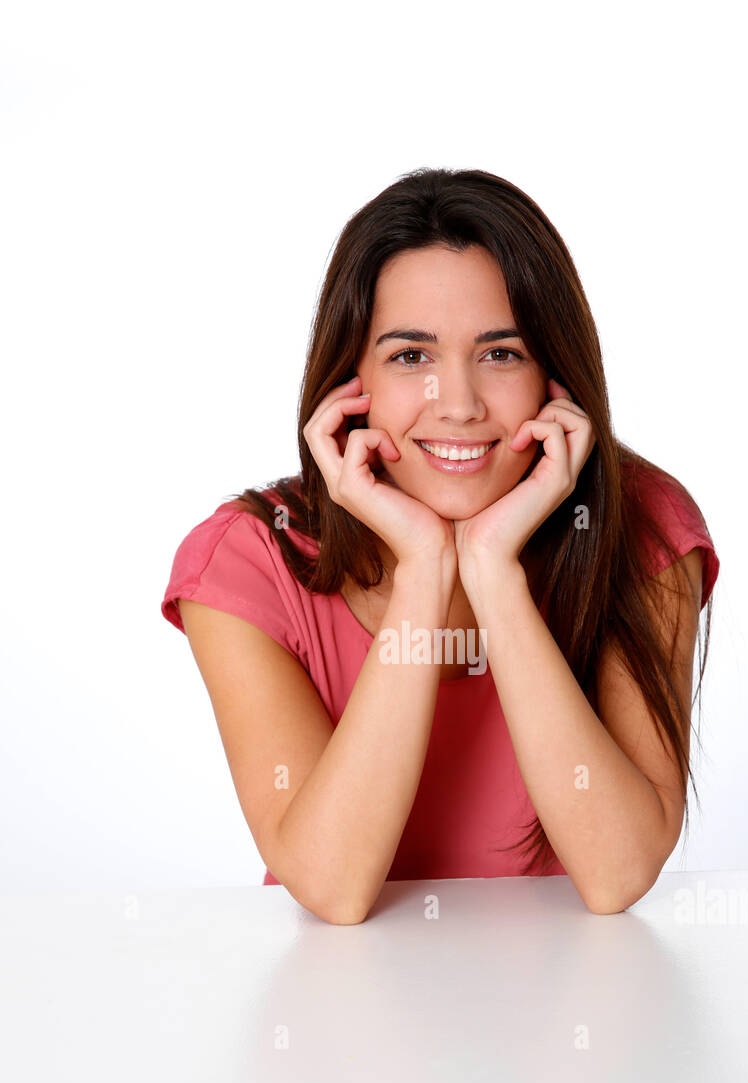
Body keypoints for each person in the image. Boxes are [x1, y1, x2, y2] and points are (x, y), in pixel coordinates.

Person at [161, 167, 719, 923]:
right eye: (410, 357)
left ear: (555, 376)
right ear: (349, 380)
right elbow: (333, 887)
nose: (455, 405)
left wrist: (493, 571)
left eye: (501, 354)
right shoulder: (245, 563)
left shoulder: (643, 527)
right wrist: (425, 567)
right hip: (342, 1017)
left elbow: (618, 871)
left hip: (575, 1015)